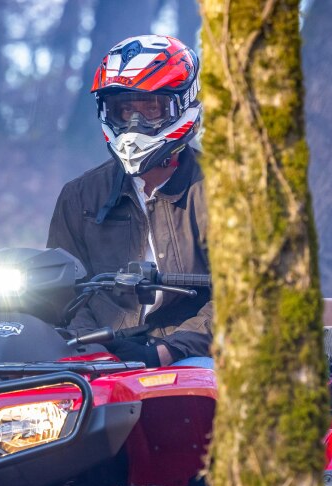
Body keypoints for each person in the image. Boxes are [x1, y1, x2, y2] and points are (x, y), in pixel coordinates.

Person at [47, 34, 211, 368]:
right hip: (100, 354)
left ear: (183, 104)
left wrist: (166, 351)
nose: (135, 123)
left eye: (152, 107)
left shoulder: (223, 193)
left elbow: (243, 297)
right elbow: (64, 294)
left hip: (193, 353)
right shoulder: (79, 196)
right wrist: (95, 349)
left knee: (193, 396)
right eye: (124, 110)